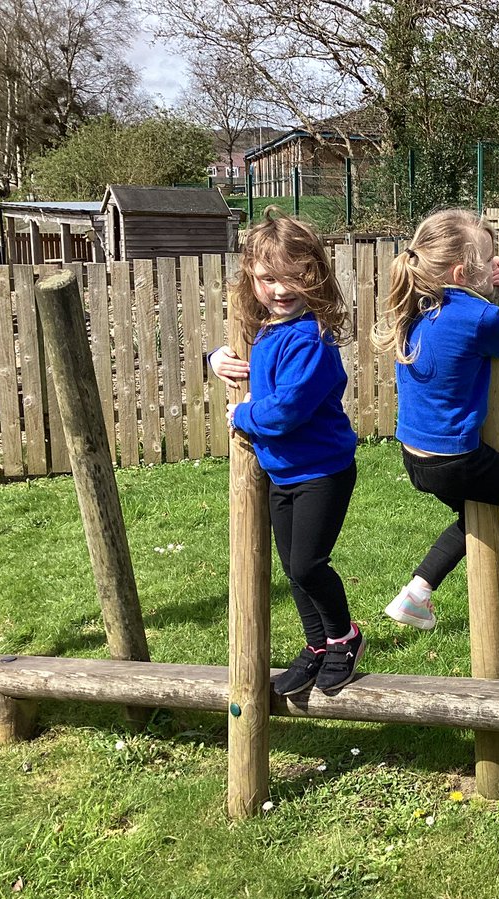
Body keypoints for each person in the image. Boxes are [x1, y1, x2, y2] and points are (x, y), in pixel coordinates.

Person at [375, 208, 499, 631]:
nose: (495, 264)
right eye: (490, 258)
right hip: (457, 459)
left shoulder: (415, 309)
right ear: (463, 272)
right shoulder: (480, 316)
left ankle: (417, 593)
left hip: (415, 459)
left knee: (473, 523)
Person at [209, 208, 364, 695]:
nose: (279, 289)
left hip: (322, 471)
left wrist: (242, 417)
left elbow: (285, 411)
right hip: (283, 473)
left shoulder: (312, 341)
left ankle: (345, 636)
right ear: (251, 278)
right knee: (293, 569)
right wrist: (214, 357)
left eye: (293, 277)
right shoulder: (268, 329)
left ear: (314, 274)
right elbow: (245, 358)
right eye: (267, 278)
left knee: (307, 565)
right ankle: (317, 646)